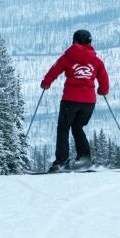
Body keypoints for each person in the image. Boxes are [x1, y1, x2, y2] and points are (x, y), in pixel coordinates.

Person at [41, 29, 109, 172]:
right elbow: (104, 79)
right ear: (90, 42)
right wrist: (103, 90)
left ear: (74, 41)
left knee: (63, 128)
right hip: (89, 102)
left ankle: (61, 161)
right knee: (78, 127)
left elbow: (54, 70)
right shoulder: (97, 61)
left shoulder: (67, 57)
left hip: (70, 100)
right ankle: (84, 159)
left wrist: (46, 83)